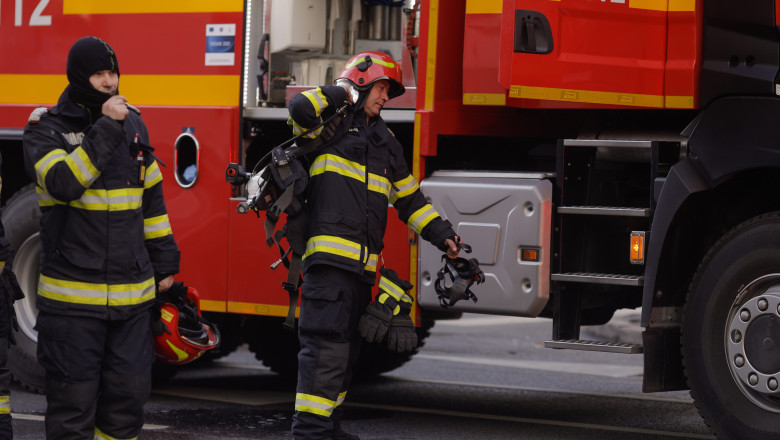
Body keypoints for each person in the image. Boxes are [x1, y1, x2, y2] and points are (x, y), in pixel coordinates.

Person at [287, 51, 461, 440]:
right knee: (325, 351)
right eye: (381, 88)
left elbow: (410, 200)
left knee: (347, 354)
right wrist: (342, 91)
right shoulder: (328, 127)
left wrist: (444, 236)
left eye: (389, 91)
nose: (385, 97)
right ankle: (309, 433)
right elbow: (299, 107)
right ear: (362, 83)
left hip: (363, 271)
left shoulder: (386, 142)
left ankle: (327, 429)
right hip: (328, 266)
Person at [22, 36, 180, 440]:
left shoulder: (135, 123)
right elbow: (63, 183)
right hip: (73, 306)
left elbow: (151, 198)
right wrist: (108, 126)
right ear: (78, 77)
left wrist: (165, 261)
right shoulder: (47, 129)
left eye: (113, 73)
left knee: (126, 406)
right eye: (99, 74)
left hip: (131, 302)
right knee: (73, 411)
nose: (110, 82)